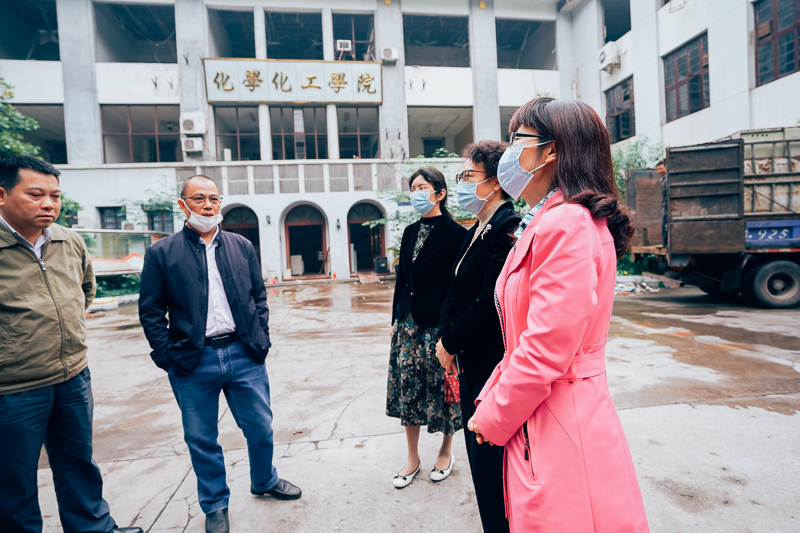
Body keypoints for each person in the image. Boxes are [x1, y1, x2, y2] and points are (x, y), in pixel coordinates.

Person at [468, 97, 649, 532]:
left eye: (518, 138)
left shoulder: (566, 223)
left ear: (550, 150)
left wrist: (494, 414)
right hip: (553, 409)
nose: (510, 150)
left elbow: (545, 347)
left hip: (559, 415)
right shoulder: (551, 219)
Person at [139, 176, 300, 533]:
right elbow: (150, 310)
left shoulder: (241, 245)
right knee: (201, 438)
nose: (208, 205)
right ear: (183, 205)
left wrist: (261, 337)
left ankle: (264, 480)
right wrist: (166, 355)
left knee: (260, 427)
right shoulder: (161, 253)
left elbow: (258, 295)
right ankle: (215, 504)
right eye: (199, 198)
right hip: (192, 361)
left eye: (214, 198)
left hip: (243, 353)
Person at [0, 156, 142, 533]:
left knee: (79, 463)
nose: (49, 204)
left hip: (73, 377)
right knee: (13, 481)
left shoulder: (68, 240)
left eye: (55, 196)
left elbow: (85, 292)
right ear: (2, 195)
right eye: (36, 195)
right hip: (13, 389)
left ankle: (93, 528)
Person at [435, 141, 519, 533]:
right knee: (479, 462)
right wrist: (445, 339)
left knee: (491, 466)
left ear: (496, 182)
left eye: (469, 176)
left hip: (489, 364)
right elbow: (454, 289)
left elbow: (489, 302)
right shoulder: (477, 229)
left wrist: (452, 343)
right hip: (467, 359)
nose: (463, 184)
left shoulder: (507, 228)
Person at [386, 167, 467, 488]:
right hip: (407, 326)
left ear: (439, 193)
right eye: (413, 188)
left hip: (437, 328)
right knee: (409, 389)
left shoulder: (456, 234)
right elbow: (402, 281)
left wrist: (452, 332)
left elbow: (457, 288)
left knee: (442, 390)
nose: (416, 193)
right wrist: (395, 320)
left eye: (422, 187)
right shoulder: (409, 232)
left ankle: (446, 451)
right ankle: (412, 457)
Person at [656, 159, 668, 246]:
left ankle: (665, 243)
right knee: (664, 224)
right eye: (657, 169)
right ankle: (665, 242)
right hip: (665, 205)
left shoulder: (668, 179)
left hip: (668, 205)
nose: (659, 171)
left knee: (665, 224)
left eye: (661, 168)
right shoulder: (664, 179)